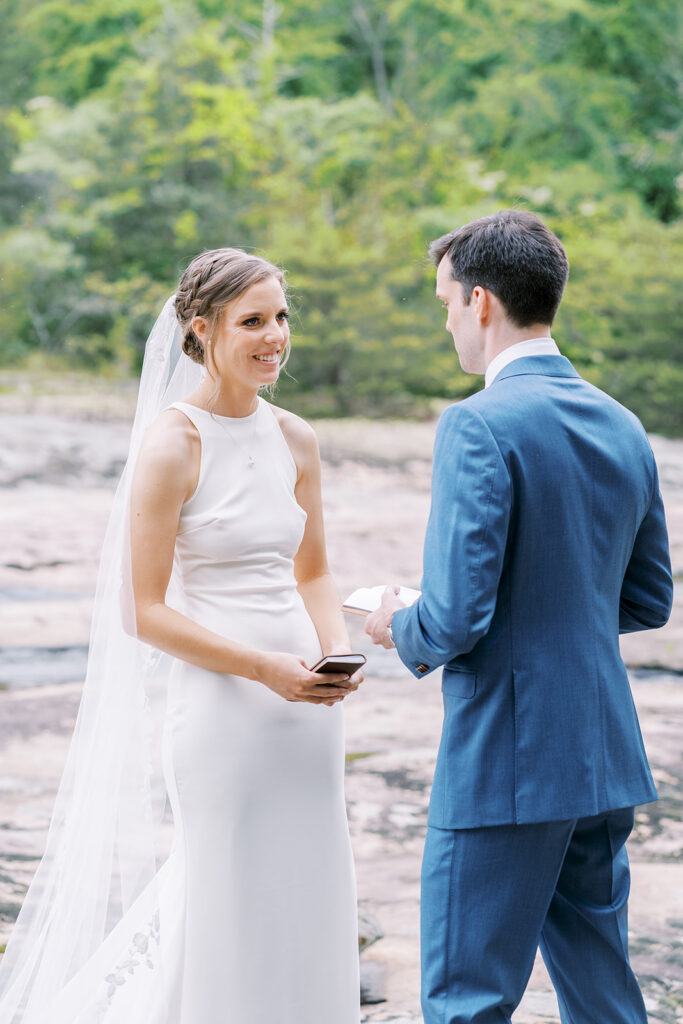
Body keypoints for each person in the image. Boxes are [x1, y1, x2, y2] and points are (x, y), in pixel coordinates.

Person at [0, 248, 362, 1024]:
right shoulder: (173, 444)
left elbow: (315, 571)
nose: (275, 337)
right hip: (225, 708)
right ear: (201, 329)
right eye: (253, 321)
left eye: (282, 317)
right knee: (226, 887)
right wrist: (264, 668)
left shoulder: (296, 437)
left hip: (307, 708)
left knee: (309, 881)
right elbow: (144, 610)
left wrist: (336, 652)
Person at [366, 210, 673, 1024]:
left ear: (478, 302)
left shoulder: (477, 422)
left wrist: (397, 621)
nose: (445, 322)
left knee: (466, 999)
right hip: (599, 752)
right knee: (604, 996)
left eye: (442, 303)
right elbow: (648, 598)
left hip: (507, 756)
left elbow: (457, 616)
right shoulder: (620, 421)